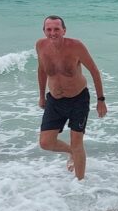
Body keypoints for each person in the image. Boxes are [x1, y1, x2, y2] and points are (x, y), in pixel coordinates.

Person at [36, 15, 107, 180]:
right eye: (49, 29)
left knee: (77, 143)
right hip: (54, 100)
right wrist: (41, 96)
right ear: (44, 31)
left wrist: (101, 100)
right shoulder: (40, 45)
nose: (53, 33)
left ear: (64, 30)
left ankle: (80, 184)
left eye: (56, 29)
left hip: (78, 100)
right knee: (45, 143)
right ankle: (71, 152)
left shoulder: (76, 46)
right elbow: (41, 70)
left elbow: (94, 72)